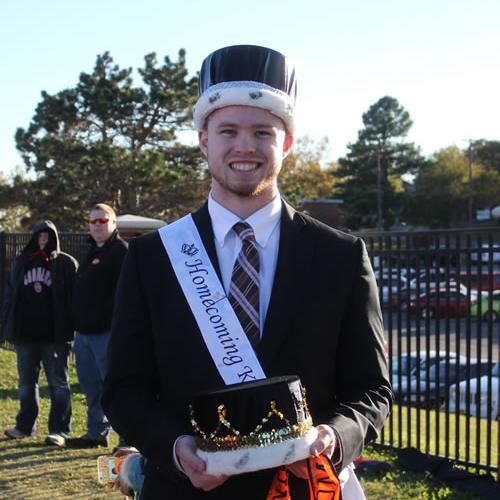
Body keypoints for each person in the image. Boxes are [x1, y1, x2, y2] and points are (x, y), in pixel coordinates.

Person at [102, 45, 392, 499]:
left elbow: (371, 391)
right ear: (203, 139)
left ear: (287, 143)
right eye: (228, 131)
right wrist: (176, 449)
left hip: (301, 492)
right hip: (183, 491)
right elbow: (123, 389)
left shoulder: (340, 256)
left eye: (262, 132)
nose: (244, 147)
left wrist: (332, 439)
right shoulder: (154, 257)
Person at [1, 221, 77, 447]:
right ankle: (24, 426)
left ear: (54, 238)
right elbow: (9, 295)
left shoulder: (65, 263)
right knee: (26, 384)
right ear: (33, 238)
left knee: (58, 383)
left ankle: (60, 430)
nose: (43, 240)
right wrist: (6, 324)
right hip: (25, 335)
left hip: (54, 337)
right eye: (39, 236)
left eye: (47, 236)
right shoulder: (21, 262)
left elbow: (75, 298)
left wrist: (72, 327)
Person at [67, 203, 128, 448]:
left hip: (107, 333)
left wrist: (105, 319)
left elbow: (122, 292)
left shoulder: (120, 251)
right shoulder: (92, 251)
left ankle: (127, 438)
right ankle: (96, 434)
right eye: (93, 221)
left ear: (114, 223)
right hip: (84, 334)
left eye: (103, 221)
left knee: (115, 387)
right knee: (91, 386)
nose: (97, 225)